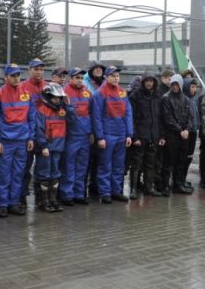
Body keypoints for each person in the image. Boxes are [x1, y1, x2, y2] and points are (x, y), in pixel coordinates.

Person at [0, 64, 35, 217]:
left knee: (18, 173)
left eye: (18, 75)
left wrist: (31, 137)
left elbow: (31, 118)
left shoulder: (26, 94)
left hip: (22, 140)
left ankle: (14, 203)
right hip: (6, 141)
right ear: (6, 77)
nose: (16, 78)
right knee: (4, 175)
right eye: (13, 76)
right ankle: (3, 205)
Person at [92, 66, 133, 203]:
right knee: (105, 165)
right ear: (106, 77)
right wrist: (100, 137)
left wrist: (129, 134)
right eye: (113, 76)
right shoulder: (100, 93)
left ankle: (116, 191)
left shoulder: (122, 92)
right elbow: (96, 117)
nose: (116, 78)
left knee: (119, 165)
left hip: (121, 134)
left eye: (117, 76)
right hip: (107, 134)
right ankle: (105, 193)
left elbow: (128, 114)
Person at [34, 83, 70, 212]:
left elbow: (73, 120)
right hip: (45, 149)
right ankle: (43, 200)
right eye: (55, 97)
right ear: (47, 97)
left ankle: (53, 199)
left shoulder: (62, 110)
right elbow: (38, 130)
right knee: (43, 173)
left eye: (59, 98)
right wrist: (43, 145)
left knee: (55, 173)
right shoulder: (41, 110)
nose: (57, 100)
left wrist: (69, 106)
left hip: (58, 147)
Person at [128, 71, 165, 198]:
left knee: (150, 163)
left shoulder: (158, 96)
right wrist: (135, 137)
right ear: (143, 82)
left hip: (153, 135)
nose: (149, 83)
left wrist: (161, 136)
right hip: (140, 136)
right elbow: (131, 118)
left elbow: (160, 118)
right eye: (147, 81)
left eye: (151, 81)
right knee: (136, 164)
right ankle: (133, 189)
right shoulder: (135, 96)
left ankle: (148, 188)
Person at [62, 68, 94, 204]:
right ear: (71, 79)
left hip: (85, 135)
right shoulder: (64, 92)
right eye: (77, 78)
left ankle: (79, 194)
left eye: (81, 78)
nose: (80, 80)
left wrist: (91, 132)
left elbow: (91, 113)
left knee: (82, 166)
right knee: (69, 166)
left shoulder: (87, 92)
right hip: (71, 135)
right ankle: (67, 194)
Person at [19, 58, 47, 205]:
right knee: (24, 167)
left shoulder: (48, 87)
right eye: (36, 69)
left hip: (44, 133)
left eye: (41, 69)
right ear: (29, 70)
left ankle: (40, 196)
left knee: (43, 167)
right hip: (28, 133)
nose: (39, 72)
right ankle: (21, 196)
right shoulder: (22, 87)